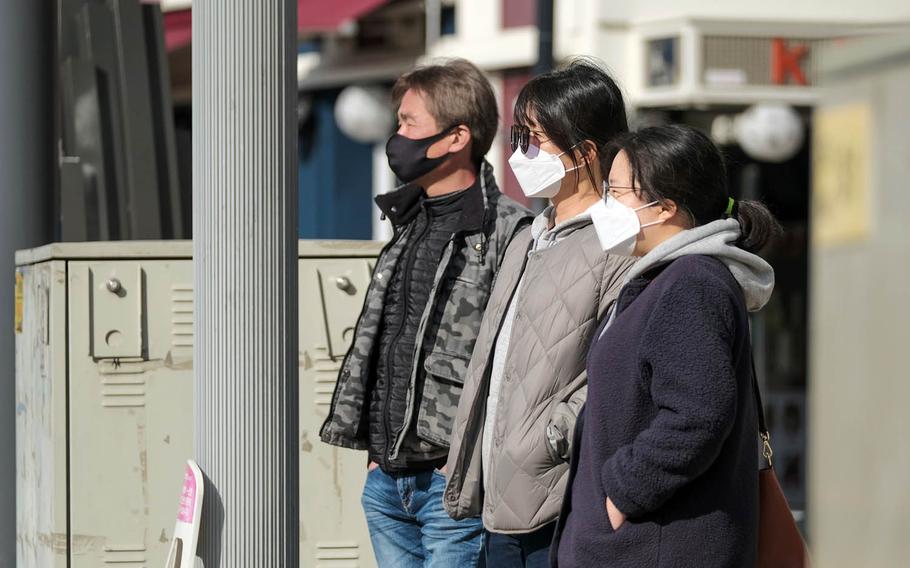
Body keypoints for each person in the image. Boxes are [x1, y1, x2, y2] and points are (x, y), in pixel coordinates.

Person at [319, 59, 532, 567]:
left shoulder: (510, 232)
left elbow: (518, 361)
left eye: (410, 123)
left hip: (450, 488)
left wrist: (465, 466)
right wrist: (376, 459)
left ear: (456, 136)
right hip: (387, 484)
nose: (399, 136)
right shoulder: (407, 220)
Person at [552, 124, 780, 567]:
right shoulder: (666, 278)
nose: (604, 204)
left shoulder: (691, 284)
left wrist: (622, 492)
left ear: (665, 208)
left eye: (616, 191)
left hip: (657, 546)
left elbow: (699, 413)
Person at [443, 60, 635, 567]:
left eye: (533, 140)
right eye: (516, 137)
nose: (519, 154)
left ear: (585, 153)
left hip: (561, 501)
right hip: (498, 500)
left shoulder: (621, 243)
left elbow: (622, 368)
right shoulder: (529, 236)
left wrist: (554, 436)